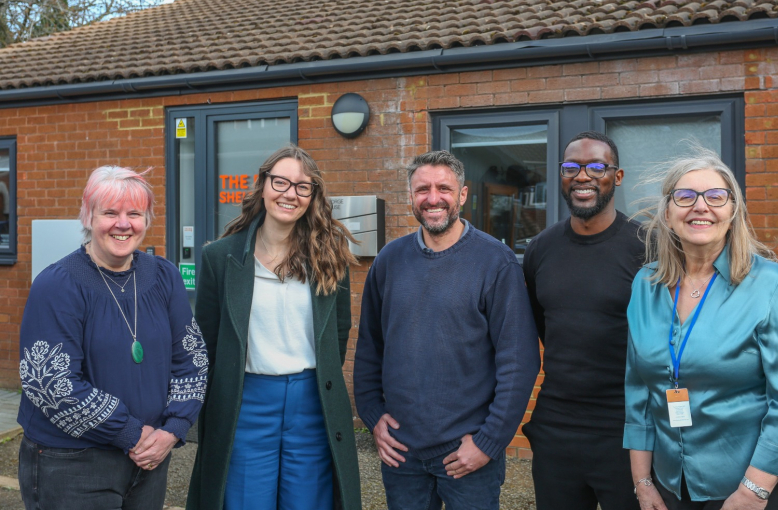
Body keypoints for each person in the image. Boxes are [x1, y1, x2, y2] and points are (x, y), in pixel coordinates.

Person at [624, 149, 778, 510]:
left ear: (733, 211)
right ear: (668, 212)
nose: (700, 206)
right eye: (685, 196)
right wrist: (643, 482)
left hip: (759, 485)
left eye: (715, 196)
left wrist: (752, 492)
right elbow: (638, 390)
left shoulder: (772, 285)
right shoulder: (645, 284)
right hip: (673, 486)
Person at [353, 150, 540, 510]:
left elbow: (518, 361)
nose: (433, 198)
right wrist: (373, 416)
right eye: (422, 189)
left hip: (466, 453)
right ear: (410, 196)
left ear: (463, 195)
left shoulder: (495, 262)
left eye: (444, 188)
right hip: (401, 452)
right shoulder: (389, 261)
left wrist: (489, 442)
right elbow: (369, 348)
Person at [17, 166, 206, 510]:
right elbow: (50, 384)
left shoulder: (164, 275)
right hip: (72, 463)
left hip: (150, 459)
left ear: (146, 219)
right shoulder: (58, 284)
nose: (123, 224)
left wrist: (174, 428)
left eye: (134, 213)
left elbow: (191, 357)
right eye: (110, 213)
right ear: (88, 216)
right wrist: (131, 433)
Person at [186, 144, 362, 510]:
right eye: (281, 182)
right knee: (244, 501)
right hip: (245, 401)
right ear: (263, 185)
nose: (290, 193)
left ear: (312, 196)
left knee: (308, 502)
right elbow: (207, 344)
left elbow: (339, 332)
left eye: (303, 186)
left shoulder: (330, 254)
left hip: (312, 402)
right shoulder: (221, 257)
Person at [522, 131, 643, 510]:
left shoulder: (648, 247)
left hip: (625, 429)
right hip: (557, 427)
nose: (583, 177)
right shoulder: (540, 248)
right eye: (571, 167)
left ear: (617, 176)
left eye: (596, 167)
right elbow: (544, 327)